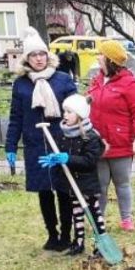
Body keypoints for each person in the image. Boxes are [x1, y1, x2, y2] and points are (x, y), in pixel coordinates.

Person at [5, 27, 76, 251]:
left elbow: (76, 111)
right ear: (27, 59)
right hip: (35, 144)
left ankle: (66, 233)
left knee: (64, 189)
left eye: (42, 54)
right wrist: (11, 145)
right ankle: (52, 234)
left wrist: (75, 138)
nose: (39, 59)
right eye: (34, 55)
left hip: (60, 141)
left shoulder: (63, 80)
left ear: (48, 55)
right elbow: (16, 116)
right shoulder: (21, 84)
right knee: (45, 191)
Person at [88, 40, 135, 231]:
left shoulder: (129, 83)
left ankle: (126, 218)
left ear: (110, 60)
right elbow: (87, 104)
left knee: (122, 183)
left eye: (101, 55)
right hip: (98, 142)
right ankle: (99, 218)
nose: (98, 57)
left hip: (120, 143)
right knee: (100, 184)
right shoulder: (96, 81)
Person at [38, 94, 105, 256]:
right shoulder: (64, 134)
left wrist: (68, 158)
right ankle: (79, 241)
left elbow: (89, 161)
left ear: (80, 115)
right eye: (64, 111)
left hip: (87, 184)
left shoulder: (90, 137)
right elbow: (62, 156)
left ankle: (101, 244)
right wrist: (56, 159)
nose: (65, 115)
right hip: (71, 183)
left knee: (94, 213)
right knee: (77, 213)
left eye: (69, 112)